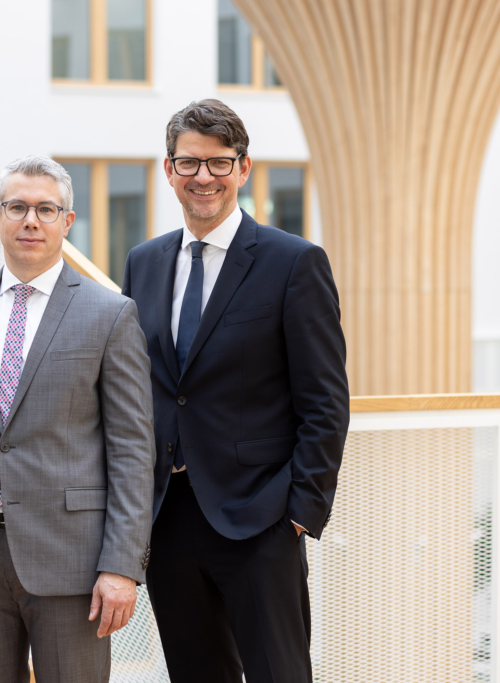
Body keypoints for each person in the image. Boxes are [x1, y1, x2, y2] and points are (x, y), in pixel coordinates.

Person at [121, 99, 350, 682]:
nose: (204, 178)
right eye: (189, 163)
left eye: (219, 164)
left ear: (243, 169)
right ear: (168, 170)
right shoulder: (143, 263)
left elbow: (325, 401)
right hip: (168, 520)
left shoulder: (293, 262)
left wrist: (299, 513)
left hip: (260, 520)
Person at [0, 155, 156, 683]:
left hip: (72, 559)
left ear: (67, 221)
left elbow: (132, 450)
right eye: (17, 207)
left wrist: (122, 565)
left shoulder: (110, 314)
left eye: (46, 209)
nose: (31, 220)